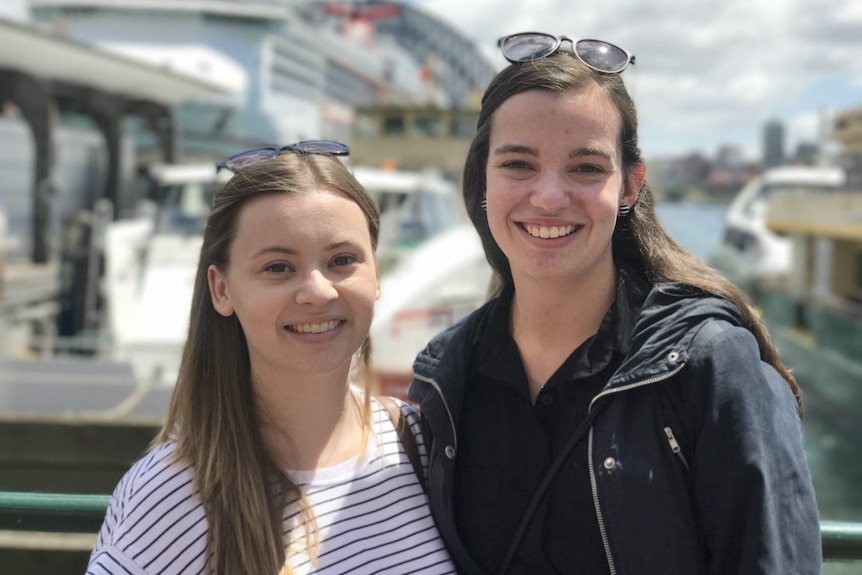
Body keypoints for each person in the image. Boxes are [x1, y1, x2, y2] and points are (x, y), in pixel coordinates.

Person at [407, 33, 821, 575]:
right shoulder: (447, 373)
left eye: (585, 168)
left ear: (629, 186)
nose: (550, 196)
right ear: (483, 179)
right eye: (518, 165)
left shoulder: (710, 365)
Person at [87, 142, 456, 575]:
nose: (318, 291)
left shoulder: (423, 447)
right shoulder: (171, 496)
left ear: (376, 274)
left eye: (342, 260)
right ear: (221, 289)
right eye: (279, 267)